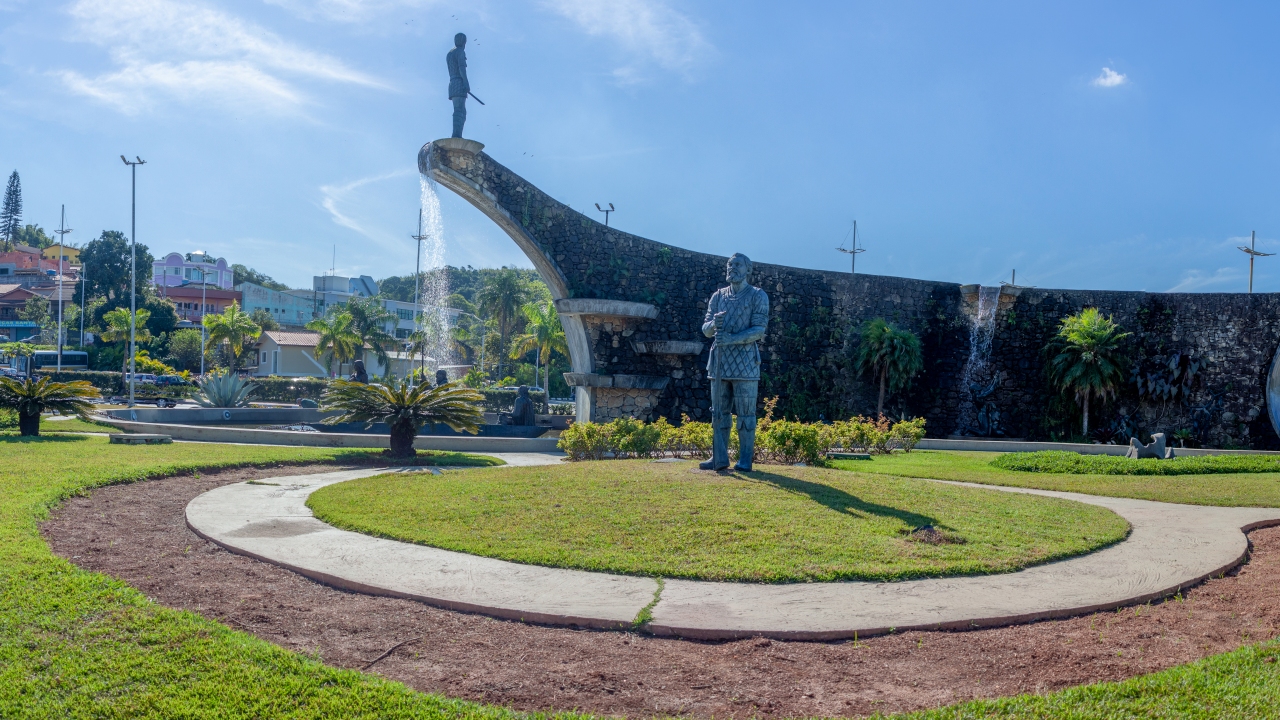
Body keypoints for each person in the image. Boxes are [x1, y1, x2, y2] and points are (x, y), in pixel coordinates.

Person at [700, 253, 769, 472]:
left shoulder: (758, 295)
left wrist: (732, 338)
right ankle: (718, 457)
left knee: (746, 415)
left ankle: (745, 459)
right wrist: (714, 324)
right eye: (730, 265)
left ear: (748, 269)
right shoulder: (717, 296)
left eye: (737, 265)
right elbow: (706, 330)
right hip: (719, 362)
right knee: (718, 413)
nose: (732, 268)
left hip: (746, 365)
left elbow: (759, 330)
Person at [446, 33, 470, 138]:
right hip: (459, 82)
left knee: (460, 109)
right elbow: (462, 68)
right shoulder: (460, 52)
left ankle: (457, 133)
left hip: (452, 83)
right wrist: (466, 82)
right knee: (460, 110)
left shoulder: (449, 53)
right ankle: (456, 134)